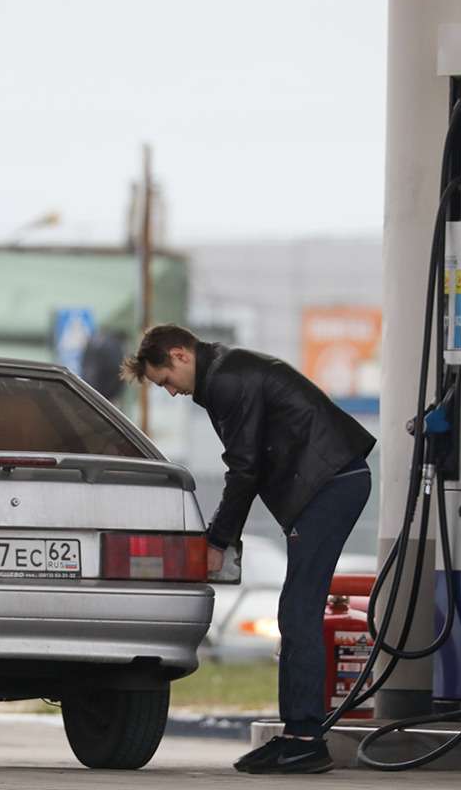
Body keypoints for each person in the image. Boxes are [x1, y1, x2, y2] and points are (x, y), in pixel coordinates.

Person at [120, 324, 375, 774]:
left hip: (329, 483)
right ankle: (297, 735)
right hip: (326, 483)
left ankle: (306, 740)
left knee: (299, 611)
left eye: (165, 381)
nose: (171, 392)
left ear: (179, 354)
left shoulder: (228, 380)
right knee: (295, 611)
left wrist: (218, 541)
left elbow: (244, 469)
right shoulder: (226, 373)